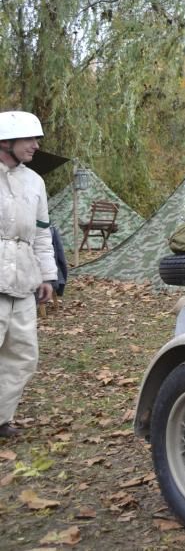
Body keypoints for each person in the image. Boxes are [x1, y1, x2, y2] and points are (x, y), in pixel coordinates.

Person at [0, 112, 59, 438]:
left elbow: (41, 234)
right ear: (5, 141)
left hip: (24, 278)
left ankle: (0, 417)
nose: (36, 146)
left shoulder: (35, 182)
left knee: (23, 354)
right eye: (29, 139)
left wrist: (48, 277)